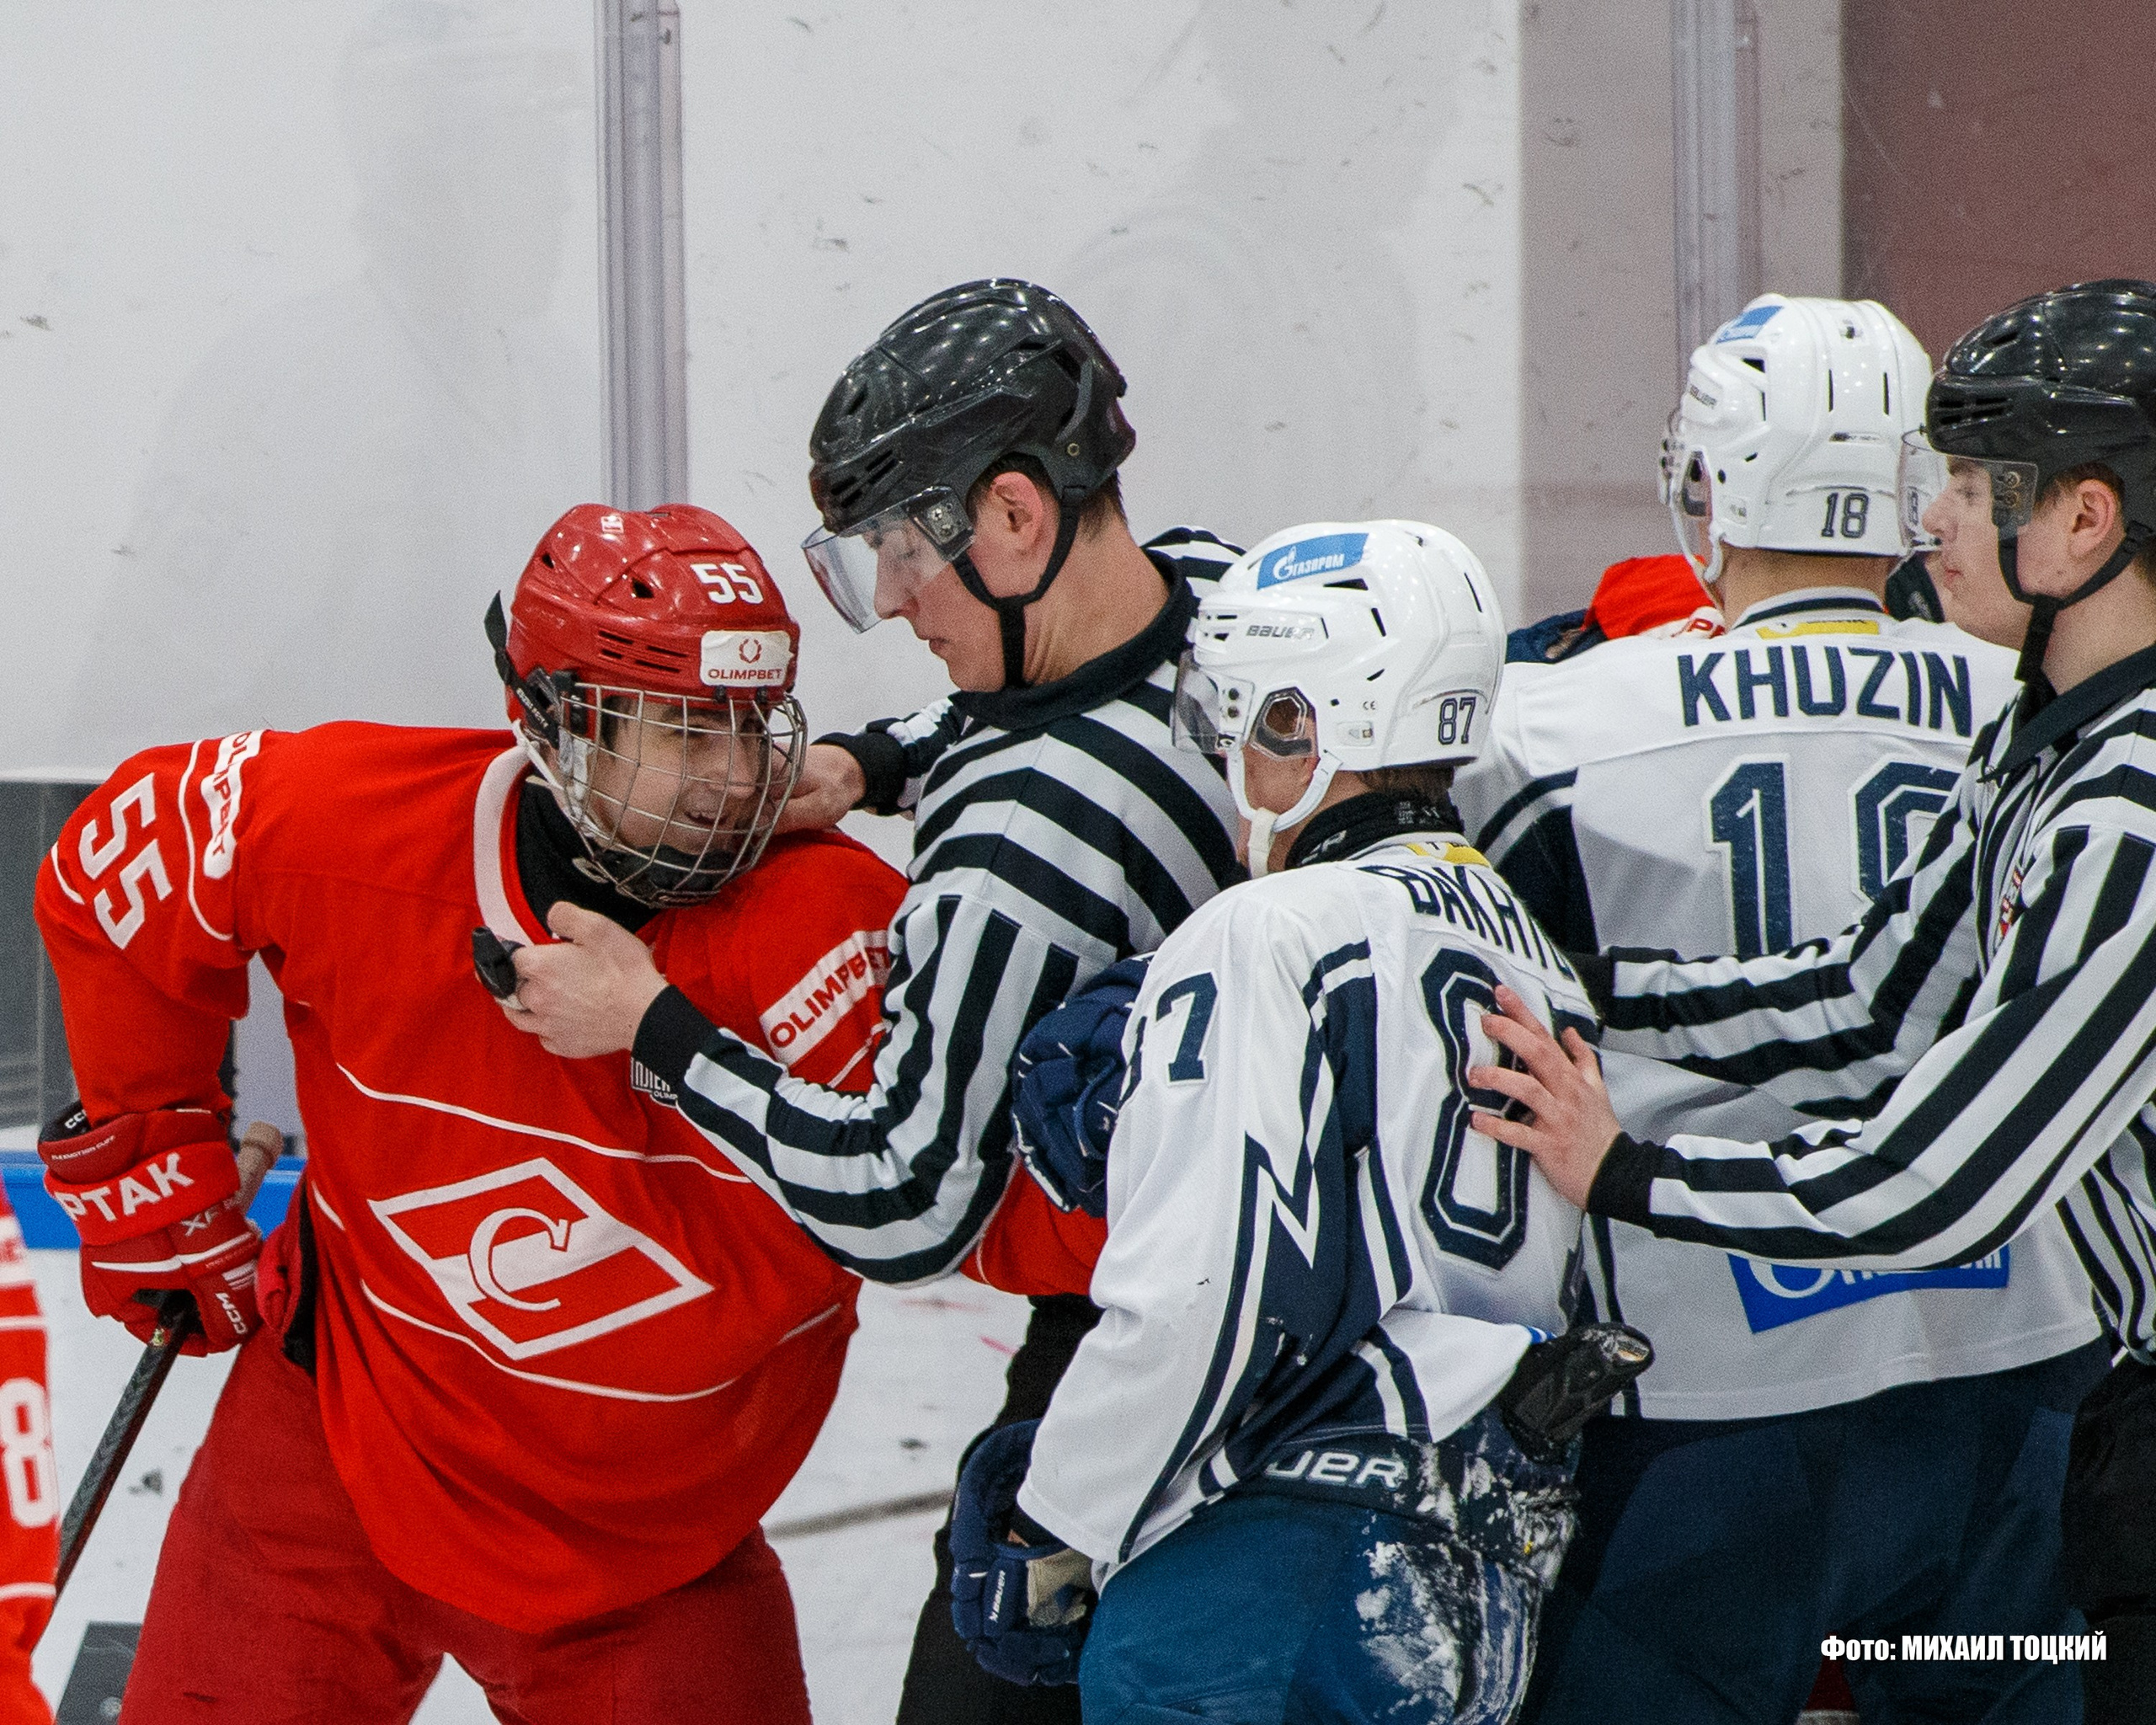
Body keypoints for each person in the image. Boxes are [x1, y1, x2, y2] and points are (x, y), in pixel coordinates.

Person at [33, 504, 907, 1723]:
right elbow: (115, 865)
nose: (732, 779)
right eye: (679, 730)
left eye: (751, 726)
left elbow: (984, 1212)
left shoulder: (838, 931)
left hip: (650, 1554)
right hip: (329, 1459)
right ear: (551, 721)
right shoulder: (353, 823)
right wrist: (154, 1166)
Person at [509, 278, 1244, 1725]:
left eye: (906, 552)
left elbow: (905, 1205)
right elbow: (1034, 719)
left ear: (1019, 519)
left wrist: (654, 1027)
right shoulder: (1224, 594)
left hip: (1152, 1366)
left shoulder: (1022, 854)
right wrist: (864, 764)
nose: (892, 601)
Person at [1467, 280, 2156, 1724]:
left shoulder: (2132, 806)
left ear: (2086, 519)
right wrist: (1580, 997)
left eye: (1970, 486)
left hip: (1850, 1414)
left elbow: (1939, 1180)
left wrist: (1633, 1169)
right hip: (2040, 1398)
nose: (1934, 521)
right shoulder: (2038, 735)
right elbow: (1871, 995)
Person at [935, 518, 1648, 1723]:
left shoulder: (1266, 930)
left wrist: (1060, 1516)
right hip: (1473, 1591)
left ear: (1309, 727)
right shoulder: (1531, 956)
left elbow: (1198, 1293)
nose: (1230, 757)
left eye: (1245, 717)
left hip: (1262, 1585)